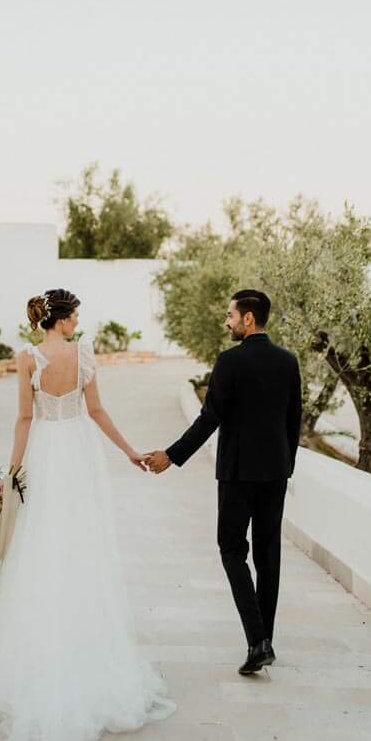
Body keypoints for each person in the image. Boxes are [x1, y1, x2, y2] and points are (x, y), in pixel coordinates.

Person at [0, 289, 174, 741]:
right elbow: (96, 411)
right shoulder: (83, 355)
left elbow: (23, 420)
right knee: (81, 546)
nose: (77, 324)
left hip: (44, 454)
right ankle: (85, 650)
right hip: (77, 454)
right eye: (75, 317)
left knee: (39, 548)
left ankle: (36, 656)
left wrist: (12, 471)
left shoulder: (27, 357)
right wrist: (129, 451)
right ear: (63, 319)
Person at [141, 288, 302, 676]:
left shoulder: (229, 363)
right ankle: (265, 639)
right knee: (268, 556)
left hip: (236, 474)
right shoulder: (288, 362)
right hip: (275, 473)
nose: (226, 321)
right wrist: (286, 465)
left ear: (248, 319)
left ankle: (257, 639)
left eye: (230, 315)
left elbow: (208, 419)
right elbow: (293, 421)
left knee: (232, 550)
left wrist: (172, 455)